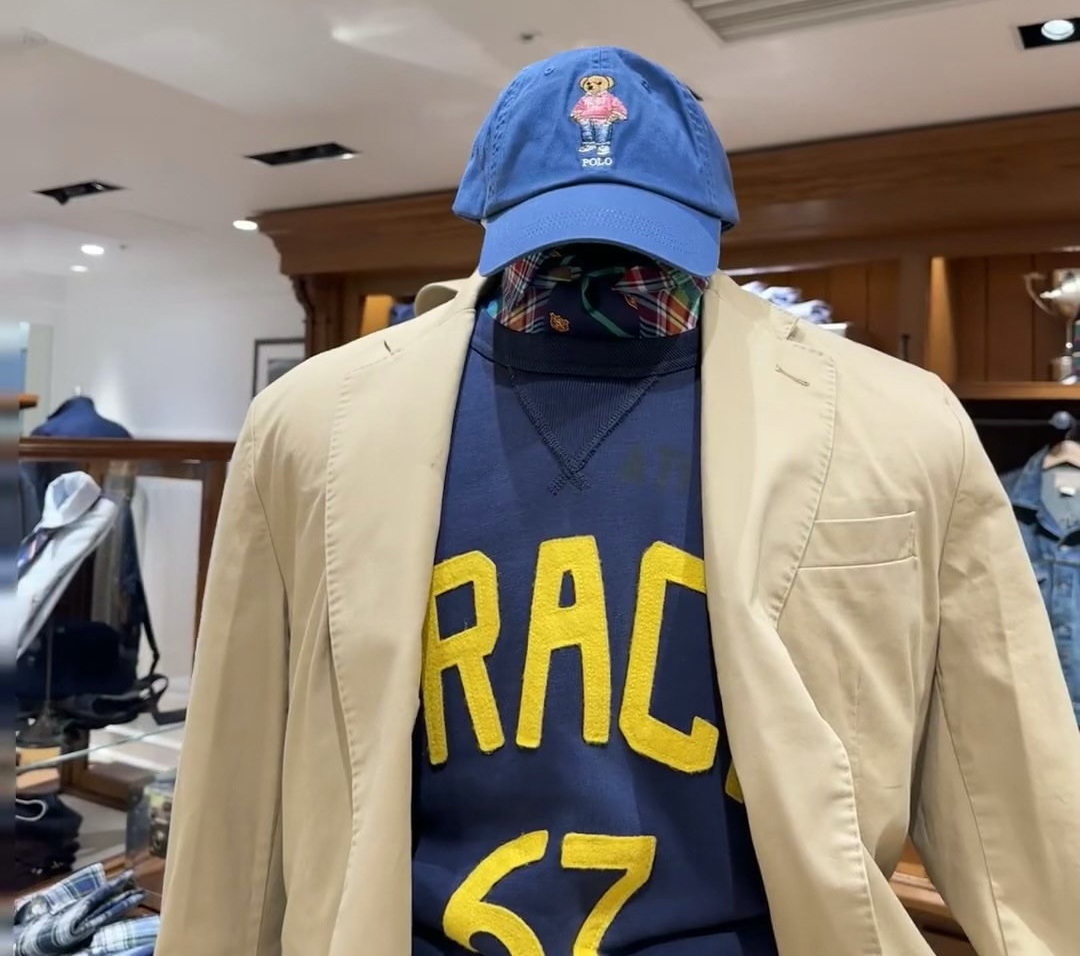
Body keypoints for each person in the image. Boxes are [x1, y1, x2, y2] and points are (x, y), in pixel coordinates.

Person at [157, 48, 1080, 956]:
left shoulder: (904, 420)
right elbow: (239, 781)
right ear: (489, 215)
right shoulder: (308, 425)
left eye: (634, 225)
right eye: (564, 224)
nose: (598, 253)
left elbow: (1006, 782)